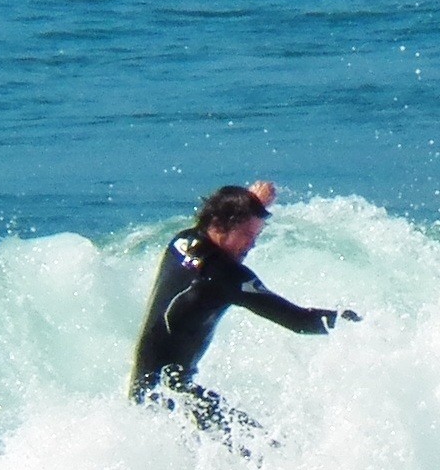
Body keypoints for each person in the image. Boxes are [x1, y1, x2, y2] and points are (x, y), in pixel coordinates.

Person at [131, 181, 356, 435]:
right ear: (220, 225)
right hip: (174, 399)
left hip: (146, 393)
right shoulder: (227, 278)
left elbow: (220, 215)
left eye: (256, 236)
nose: (252, 244)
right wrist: (357, 324)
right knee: (262, 449)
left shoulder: (182, 240)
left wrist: (250, 202)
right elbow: (300, 321)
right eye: (248, 235)